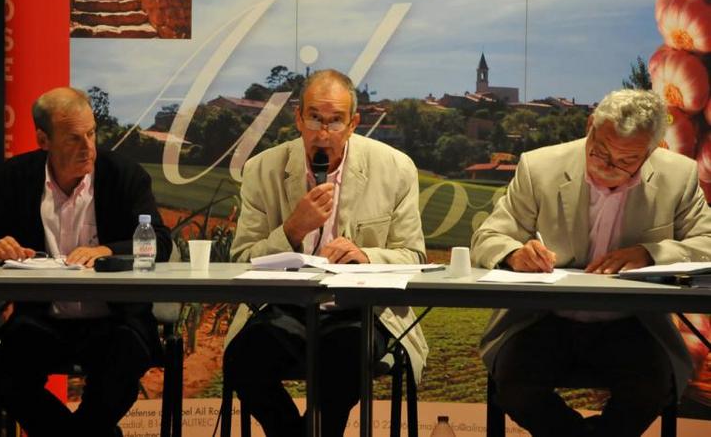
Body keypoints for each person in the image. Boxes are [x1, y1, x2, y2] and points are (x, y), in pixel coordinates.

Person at [471, 89, 711, 437]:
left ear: (653, 149)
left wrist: (651, 253)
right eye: (600, 152)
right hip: (543, 318)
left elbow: (706, 242)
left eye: (626, 160)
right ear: (589, 127)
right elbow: (488, 237)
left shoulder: (679, 175)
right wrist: (514, 253)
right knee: (515, 388)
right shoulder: (540, 166)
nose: (607, 167)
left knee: (651, 391)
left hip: (633, 320)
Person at [224, 69, 428, 437]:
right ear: (298, 118)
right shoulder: (262, 169)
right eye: (315, 118)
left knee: (342, 354)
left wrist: (366, 257)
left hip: (362, 309)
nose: (323, 133)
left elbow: (413, 256)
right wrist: (292, 229)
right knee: (242, 360)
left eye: (335, 121)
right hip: (283, 306)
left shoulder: (395, 168)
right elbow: (241, 260)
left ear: (353, 124)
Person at [0, 87, 172, 437]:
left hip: (116, 320)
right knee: (7, 379)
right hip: (44, 319)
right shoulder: (17, 176)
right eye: (74, 138)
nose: (88, 147)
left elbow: (162, 243)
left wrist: (107, 251)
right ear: (43, 139)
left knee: (121, 365)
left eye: (91, 133)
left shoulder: (124, 174)